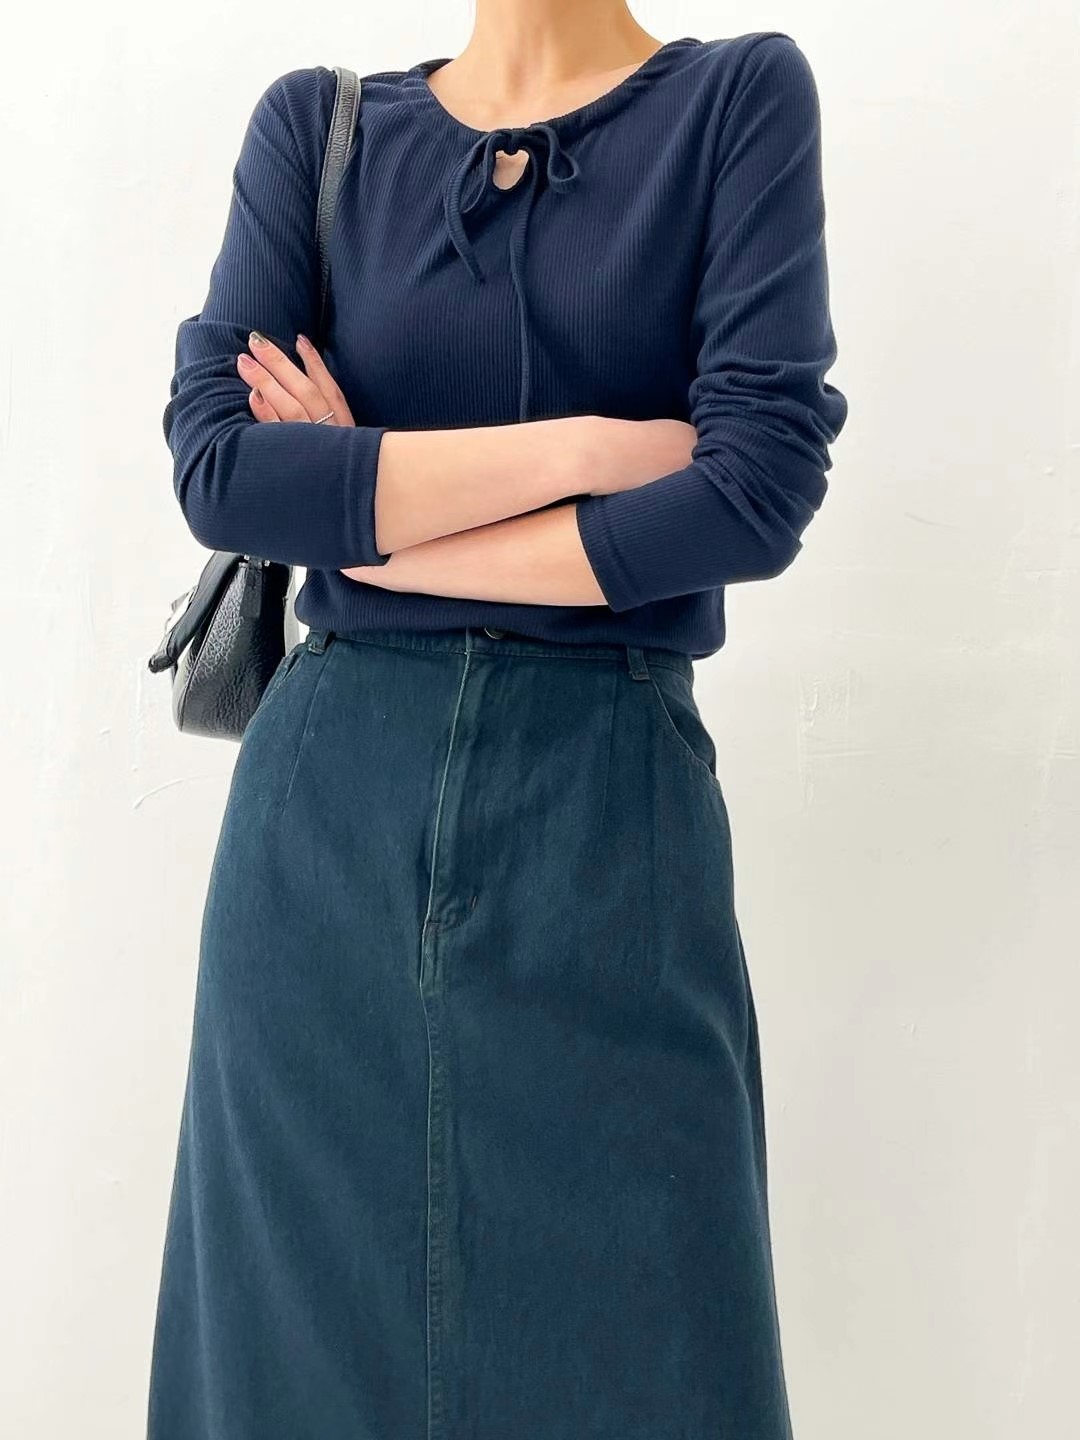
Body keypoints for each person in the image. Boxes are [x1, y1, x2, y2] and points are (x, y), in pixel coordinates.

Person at [146, 4, 848, 1436]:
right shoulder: (319, 128)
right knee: (295, 1372)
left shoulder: (737, 103)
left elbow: (751, 491)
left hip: (608, 826)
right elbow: (222, 471)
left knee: (653, 1359)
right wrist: (590, 450)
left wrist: (367, 511)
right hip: (323, 839)